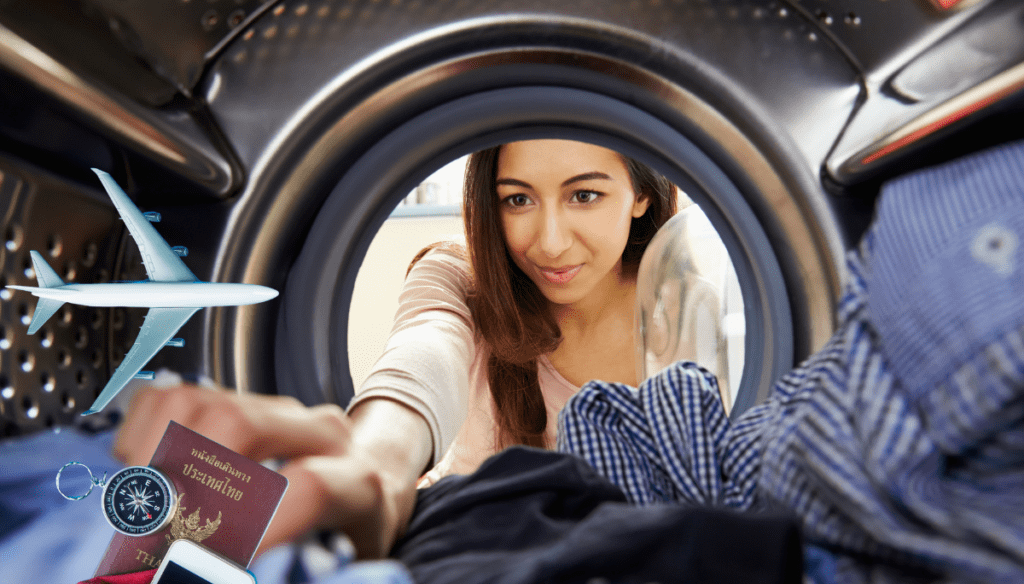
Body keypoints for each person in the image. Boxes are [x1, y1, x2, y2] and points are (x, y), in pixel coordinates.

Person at [113, 139, 677, 559]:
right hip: (478, 562)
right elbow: (421, 356)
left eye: (585, 195)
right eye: (518, 199)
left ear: (641, 195)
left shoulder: (695, 307)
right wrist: (373, 467)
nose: (550, 241)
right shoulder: (457, 275)